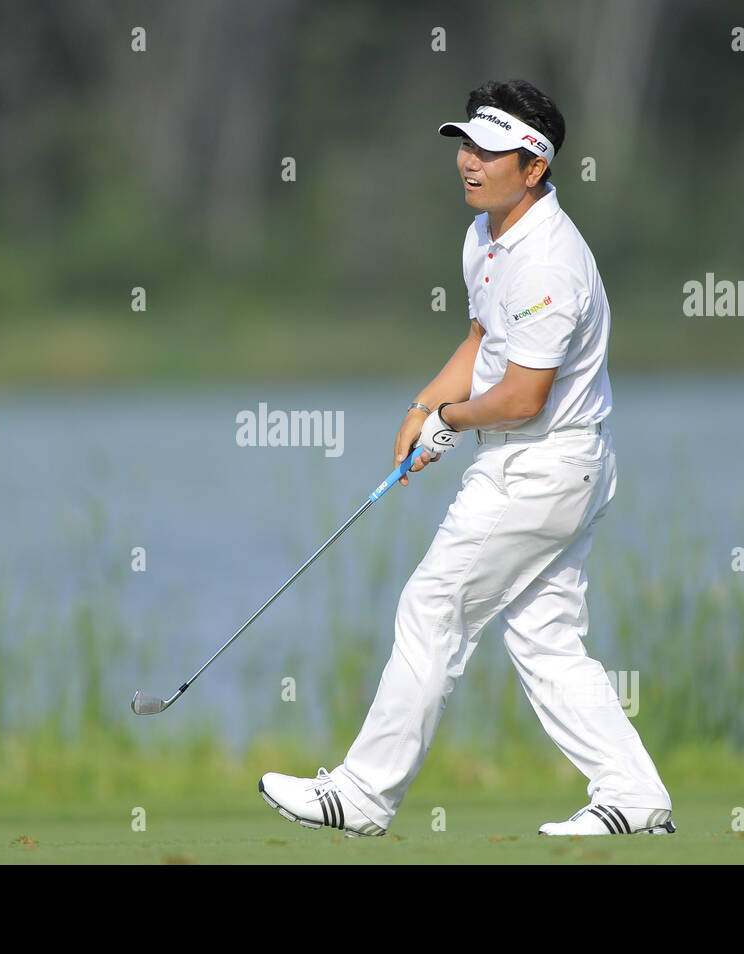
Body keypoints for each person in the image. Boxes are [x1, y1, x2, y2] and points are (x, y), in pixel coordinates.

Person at [259, 79, 674, 837]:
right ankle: (633, 791)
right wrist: (424, 407)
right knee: (543, 635)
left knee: (432, 608)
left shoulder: (549, 260)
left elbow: (521, 399)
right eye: (465, 146)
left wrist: (448, 419)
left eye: (490, 151)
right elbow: (484, 342)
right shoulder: (487, 234)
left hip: (540, 465)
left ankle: (363, 793)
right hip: (548, 464)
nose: (468, 162)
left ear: (535, 166)